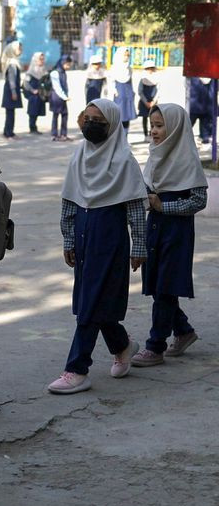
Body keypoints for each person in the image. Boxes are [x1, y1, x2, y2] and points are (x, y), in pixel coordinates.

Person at [47, 99, 148, 394]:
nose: (90, 125)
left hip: (110, 235)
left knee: (91, 300)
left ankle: (77, 368)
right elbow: (69, 199)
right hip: (82, 231)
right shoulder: (79, 154)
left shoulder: (124, 160)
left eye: (98, 121)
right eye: (86, 119)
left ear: (113, 125)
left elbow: (135, 208)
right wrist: (68, 236)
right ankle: (123, 345)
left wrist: (139, 245)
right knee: (94, 297)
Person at [131, 104, 208, 367]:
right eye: (152, 125)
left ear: (175, 128)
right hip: (155, 227)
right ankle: (184, 331)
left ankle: (155, 346)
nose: (153, 131)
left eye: (160, 126)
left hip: (177, 231)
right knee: (158, 285)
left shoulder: (187, 158)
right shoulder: (155, 155)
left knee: (165, 286)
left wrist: (165, 206)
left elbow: (199, 201)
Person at [1, 41, 23, 140]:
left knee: (10, 112)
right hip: (11, 91)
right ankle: (8, 133)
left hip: (10, 90)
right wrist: (14, 92)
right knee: (10, 112)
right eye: (19, 48)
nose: (21, 50)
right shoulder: (12, 64)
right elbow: (11, 79)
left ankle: (8, 131)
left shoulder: (13, 62)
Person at [111, 48, 137, 132]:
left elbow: (130, 80)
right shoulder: (114, 67)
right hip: (119, 93)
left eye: (128, 55)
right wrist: (114, 91)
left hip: (128, 93)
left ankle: (125, 139)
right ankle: (118, 140)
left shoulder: (129, 68)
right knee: (119, 116)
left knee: (127, 116)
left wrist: (132, 92)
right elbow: (111, 81)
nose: (127, 57)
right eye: (125, 55)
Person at [23, 51, 48, 134]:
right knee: (32, 112)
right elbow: (25, 83)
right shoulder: (31, 71)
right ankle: (32, 127)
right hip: (33, 95)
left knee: (38, 111)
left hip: (40, 95)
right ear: (35, 60)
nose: (42, 61)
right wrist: (32, 90)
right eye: (40, 59)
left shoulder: (44, 70)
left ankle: (34, 127)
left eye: (43, 59)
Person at [49, 54, 73, 141]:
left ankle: (63, 134)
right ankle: (54, 135)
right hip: (56, 97)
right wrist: (64, 96)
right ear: (62, 63)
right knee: (55, 116)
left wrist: (66, 96)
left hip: (63, 97)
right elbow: (57, 87)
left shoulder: (63, 72)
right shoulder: (55, 72)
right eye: (67, 64)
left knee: (64, 115)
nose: (68, 66)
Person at [187, 77, 216, 145]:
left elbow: (186, 86)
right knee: (205, 132)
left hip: (194, 105)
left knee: (187, 126)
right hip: (207, 105)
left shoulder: (192, 76)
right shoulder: (213, 76)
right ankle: (205, 140)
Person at [137, 59, 160, 139]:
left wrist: (154, 101)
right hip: (144, 101)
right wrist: (145, 102)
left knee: (153, 118)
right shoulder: (143, 78)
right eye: (148, 68)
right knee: (144, 118)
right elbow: (140, 91)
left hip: (153, 101)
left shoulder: (157, 77)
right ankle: (145, 135)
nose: (150, 70)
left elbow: (159, 90)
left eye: (151, 68)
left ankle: (152, 134)